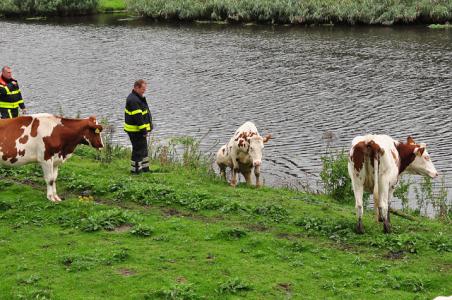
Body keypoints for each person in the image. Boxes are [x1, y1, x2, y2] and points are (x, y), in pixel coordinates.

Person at [124, 79, 153, 174]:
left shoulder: (138, 98)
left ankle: (145, 169)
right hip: (136, 131)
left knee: (144, 150)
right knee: (138, 151)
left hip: (139, 130)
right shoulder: (133, 100)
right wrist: (144, 131)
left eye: (145, 89)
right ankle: (135, 172)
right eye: (142, 89)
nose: (144, 91)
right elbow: (138, 118)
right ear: (136, 87)